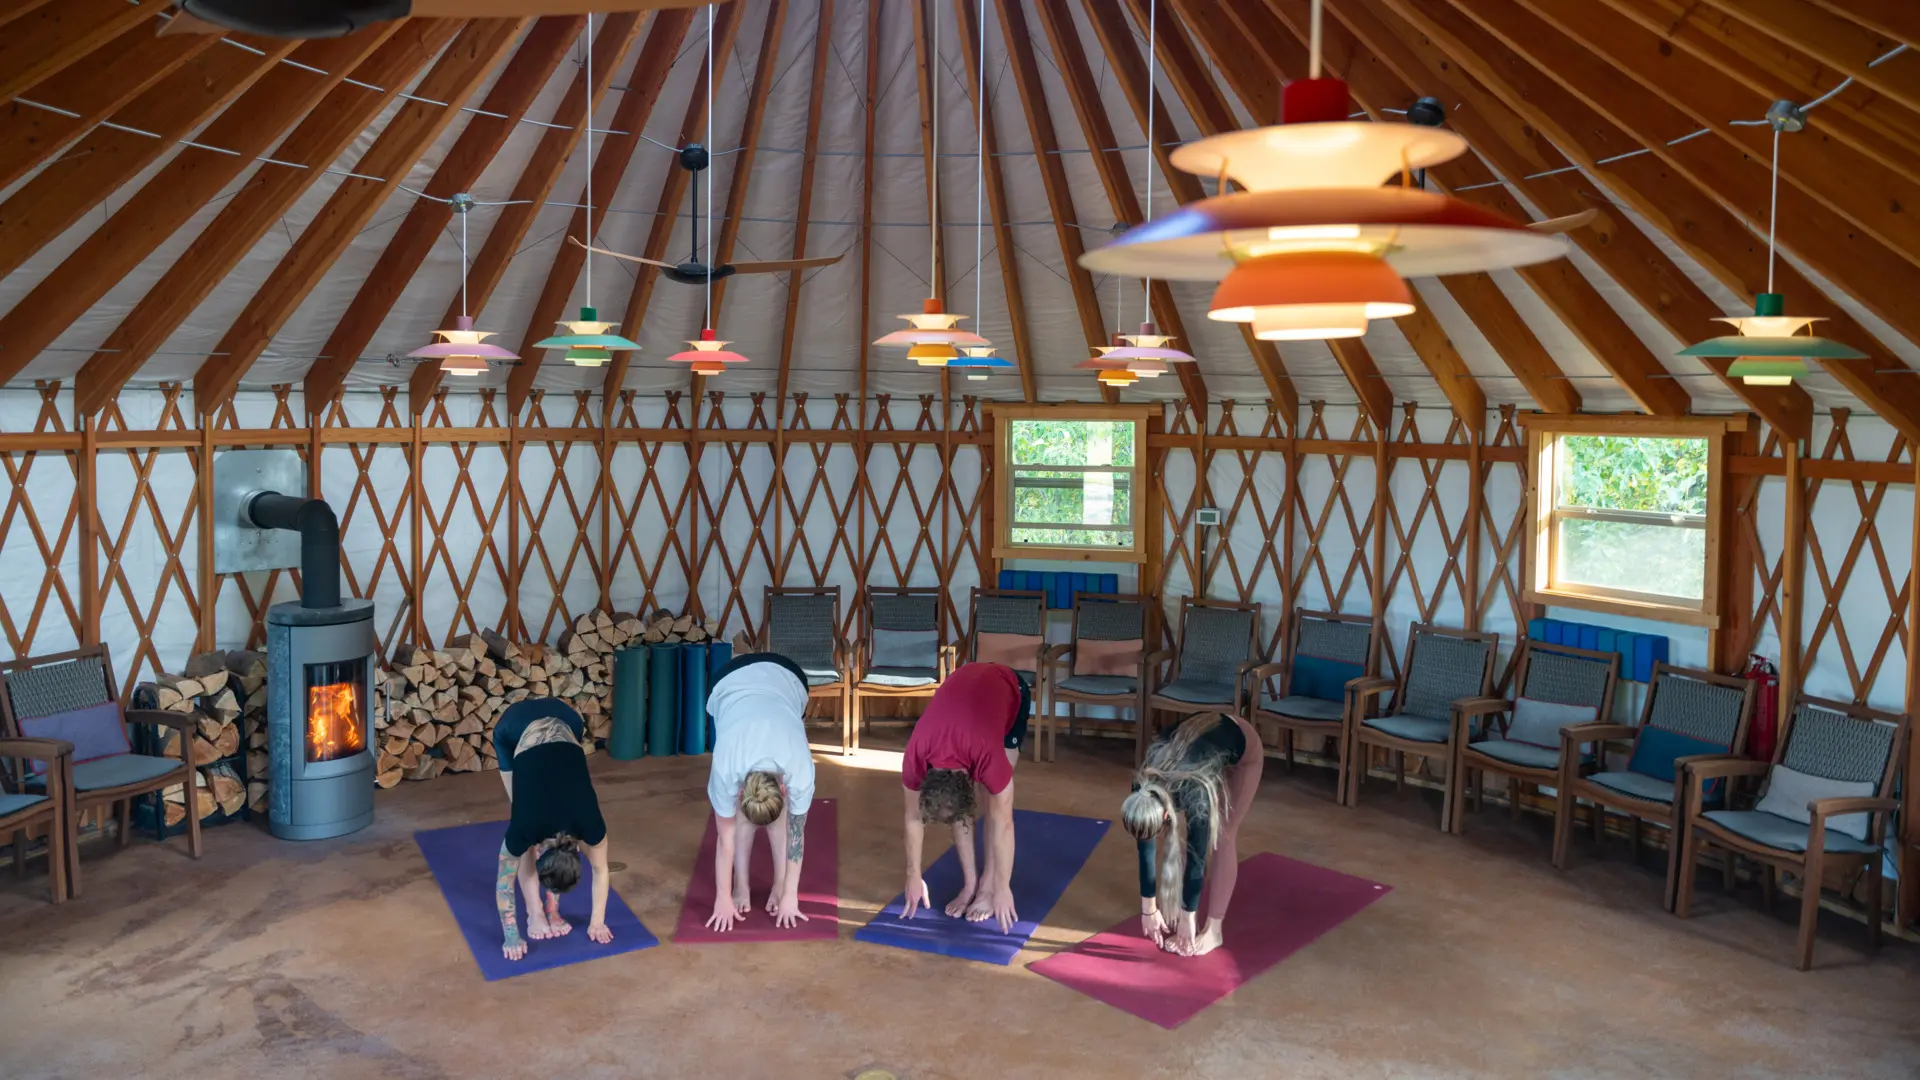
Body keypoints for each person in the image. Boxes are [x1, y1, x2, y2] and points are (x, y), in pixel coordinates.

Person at [898, 661, 1030, 933]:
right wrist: (913, 874)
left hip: (1009, 688)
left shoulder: (988, 758)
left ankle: (986, 885)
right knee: (960, 804)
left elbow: (1005, 823)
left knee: (994, 802)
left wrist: (1002, 888)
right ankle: (970, 883)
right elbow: (912, 817)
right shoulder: (916, 755)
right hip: (966, 684)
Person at [1121, 710, 1265, 957]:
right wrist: (1149, 910)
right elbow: (1144, 845)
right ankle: (1187, 910)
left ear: (1165, 814)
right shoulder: (1142, 789)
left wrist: (1189, 917)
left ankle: (1214, 930)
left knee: (1222, 835)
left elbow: (1197, 856)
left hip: (1244, 753)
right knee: (1184, 835)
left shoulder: (1194, 790)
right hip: (1205, 746)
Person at [702, 652, 817, 933]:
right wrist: (724, 898)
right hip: (728, 682)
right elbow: (724, 839)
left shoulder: (799, 767)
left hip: (789, 678)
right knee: (740, 823)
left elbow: (796, 838)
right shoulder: (726, 766)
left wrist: (790, 895)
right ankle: (743, 886)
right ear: (740, 793)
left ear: (785, 788)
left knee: (780, 819)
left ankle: (779, 885)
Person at [493, 697, 613, 961]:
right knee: (521, 829)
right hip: (514, 728)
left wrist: (598, 922)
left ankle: (553, 908)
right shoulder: (525, 825)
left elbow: (602, 869)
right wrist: (511, 935)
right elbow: (504, 882)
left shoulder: (590, 823)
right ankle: (535, 911)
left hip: (567, 719)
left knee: (526, 829)